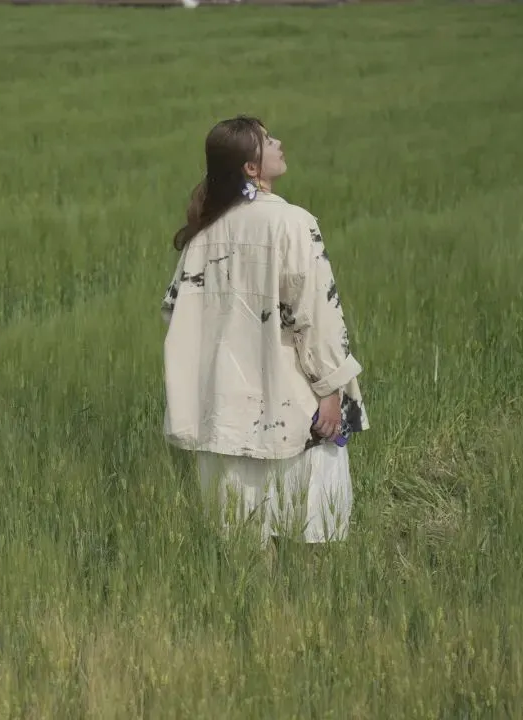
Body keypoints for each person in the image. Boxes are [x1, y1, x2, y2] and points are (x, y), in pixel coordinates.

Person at [160, 115, 369, 546]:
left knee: (243, 541)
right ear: (251, 168)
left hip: (223, 411)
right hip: (291, 404)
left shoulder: (206, 233)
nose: (278, 143)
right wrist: (330, 389)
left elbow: (176, 311)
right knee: (309, 532)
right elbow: (317, 313)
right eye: (267, 140)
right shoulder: (293, 222)